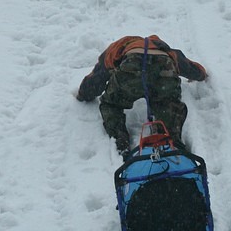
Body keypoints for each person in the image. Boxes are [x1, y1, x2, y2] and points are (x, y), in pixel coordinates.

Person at [76, 35, 207, 155]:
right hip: (164, 66)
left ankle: (120, 139)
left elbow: (97, 78)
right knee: (168, 104)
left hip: (131, 66)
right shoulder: (166, 50)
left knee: (111, 104)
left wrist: (83, 94)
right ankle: (169, 138)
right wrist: (201, 74)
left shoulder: (117, 47)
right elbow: (191, 68)